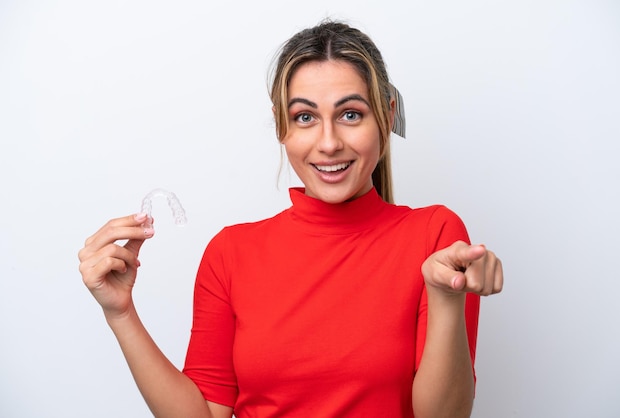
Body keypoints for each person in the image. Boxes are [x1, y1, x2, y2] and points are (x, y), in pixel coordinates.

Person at [78, 20, 503, 418]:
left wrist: (445, 297)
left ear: (386, 115)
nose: (329, 142)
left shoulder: (436, 238)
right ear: (283, 126)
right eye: (305, 117)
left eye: (350, 114)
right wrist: (121, 313)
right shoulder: (231, 253)